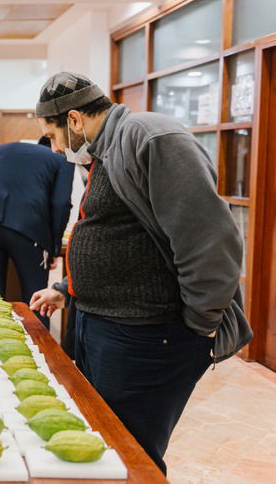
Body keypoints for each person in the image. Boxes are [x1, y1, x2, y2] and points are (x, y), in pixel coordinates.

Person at [29, 72, 253, 474]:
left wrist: (201, 324)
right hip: (106, 326)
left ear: (75, 120)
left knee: (132, 455)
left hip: (148, 336)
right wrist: (69, 289)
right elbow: (118, 233)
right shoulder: (104, 152)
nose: (55, 147)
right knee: (104, 442)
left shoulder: (150, 138)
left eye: (53, 135)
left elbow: (210, 238)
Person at [0, 138, 73, 329]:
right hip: (30, 229)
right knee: (37, 300)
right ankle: (39, 352)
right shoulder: (61, 160)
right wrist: (54, 247)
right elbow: (61, 204)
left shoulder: (5, 148)